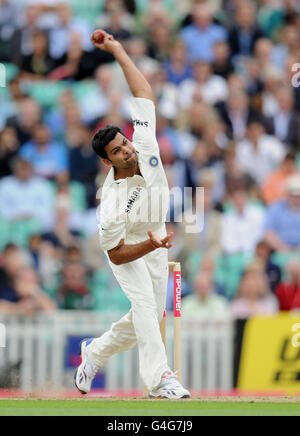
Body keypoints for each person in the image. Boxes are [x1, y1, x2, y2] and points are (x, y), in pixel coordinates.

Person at [74, 30, 190, 400]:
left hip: (154, 236)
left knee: (148, 316)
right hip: (127, 247)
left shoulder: (142, 143)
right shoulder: (109, 203)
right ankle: (160, 380)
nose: (128, 151)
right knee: (143, 305)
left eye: (124, 142)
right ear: (108, 161)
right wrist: (149, 245)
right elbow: (116, 253)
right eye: (119, 151)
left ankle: (94, 351)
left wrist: (119, 50)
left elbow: (144, 94)